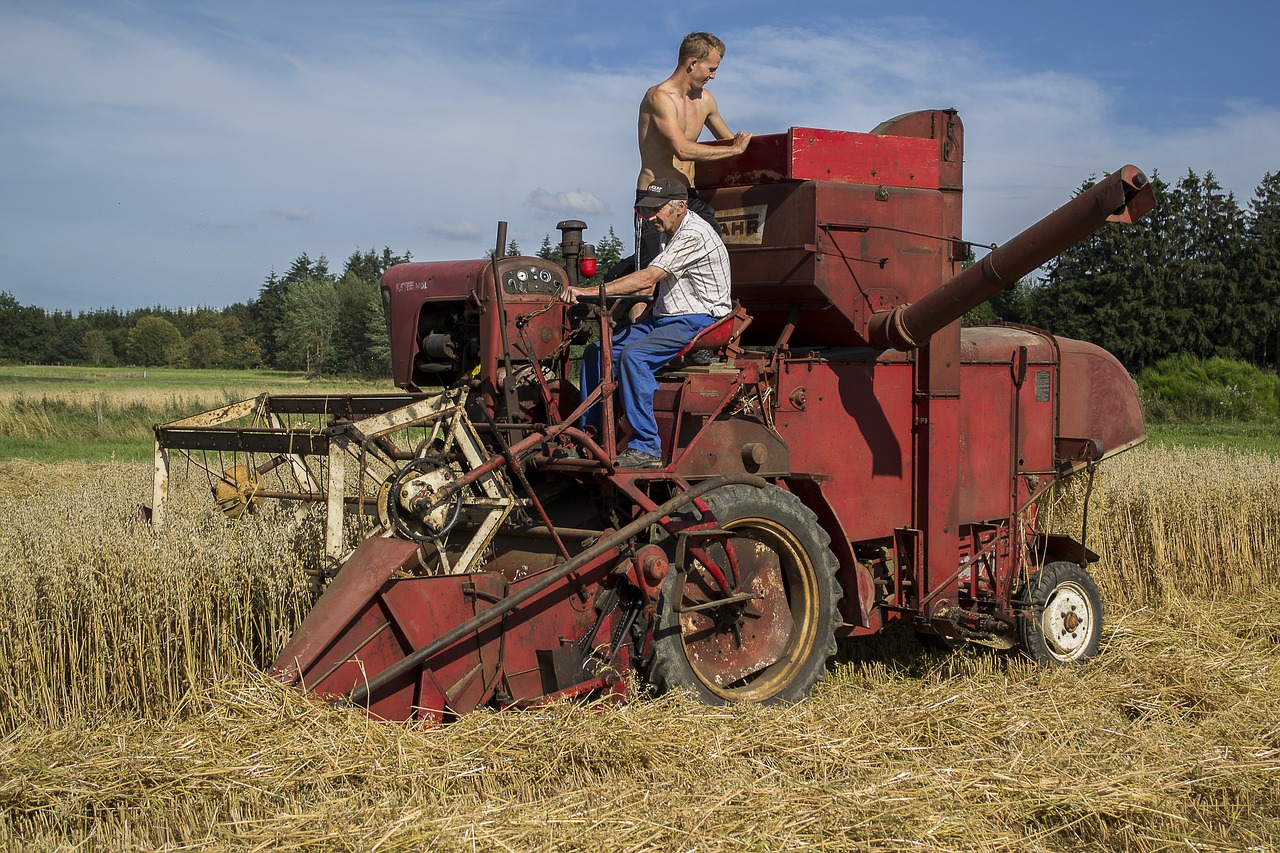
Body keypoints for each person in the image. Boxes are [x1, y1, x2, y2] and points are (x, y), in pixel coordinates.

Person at [561, 177, 733, 468]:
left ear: (679, 206)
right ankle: (590, 436)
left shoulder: (694, 234)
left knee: (634, 356)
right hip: (668, 319)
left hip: (701, 320)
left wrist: (588, 292)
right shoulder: (670, 233)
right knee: (596, 352)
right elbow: (653, 284)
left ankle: (647, 447)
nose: (651, 217)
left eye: (657, 210)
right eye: (647, 210)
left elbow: (650, 277)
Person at [629, 31, 752, 270]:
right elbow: (682, 149)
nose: (713, 76)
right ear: (693, 63)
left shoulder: (706, 100)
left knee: (714, 258)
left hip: (689, 198)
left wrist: (749, 148)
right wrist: (734, 149)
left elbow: (729, 142)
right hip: (656, 198)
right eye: (711, 69)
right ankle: (643, 308)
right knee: (649, 280)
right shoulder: (659, 97)